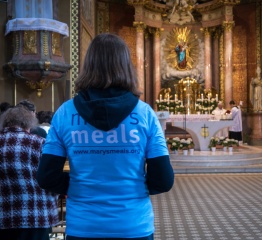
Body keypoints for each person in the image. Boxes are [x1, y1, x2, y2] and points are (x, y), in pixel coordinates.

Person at [36, 33, 174, 240]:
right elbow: (163, 180)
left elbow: (46, 177)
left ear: (88, 65)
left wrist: (79, 184)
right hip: (133, 224)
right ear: (126, 66)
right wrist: (131, 185)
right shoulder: (145, 114)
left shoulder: (65, 113)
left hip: (83, 226)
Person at [0, 106, 59, 240]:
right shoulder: (39, 143)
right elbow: (51, 177)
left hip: (3, 217)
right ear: (29, 123)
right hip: (36, 216)